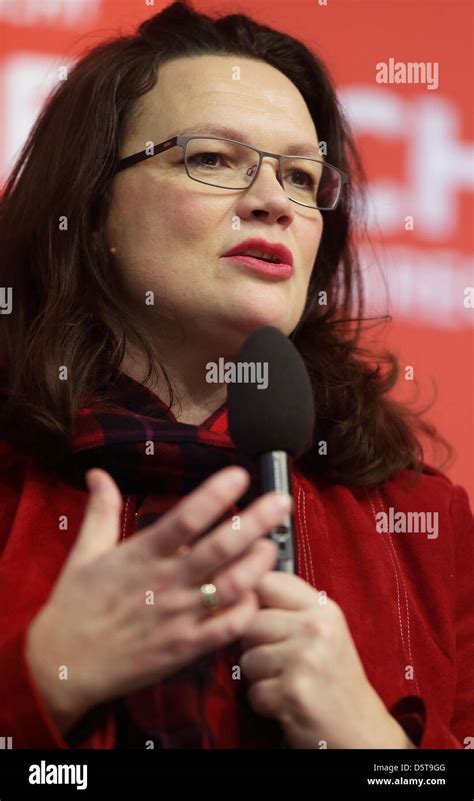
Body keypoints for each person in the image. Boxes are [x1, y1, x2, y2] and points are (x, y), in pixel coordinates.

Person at [0, 0, 472, 750]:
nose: (273, 202)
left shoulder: (427, 527)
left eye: (301, 175)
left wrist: (371, 741)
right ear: (90, 208)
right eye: (212, 159)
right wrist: (44, 679)